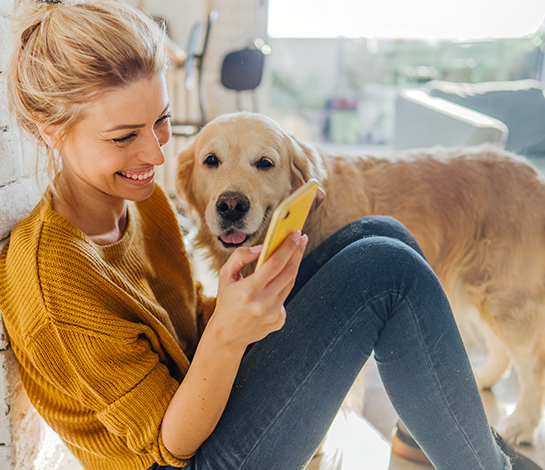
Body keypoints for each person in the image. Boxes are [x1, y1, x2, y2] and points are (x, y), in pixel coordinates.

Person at [0, 1, 541, 469]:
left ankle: (445, 439)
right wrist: (232, 331)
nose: (155, 154)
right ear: (52, 131)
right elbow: (169, 444)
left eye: (159, 122)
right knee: (384, 270)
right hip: (190, 455)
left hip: (211, 410)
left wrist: (240, 304)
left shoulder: (140, 204)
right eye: (124, 136)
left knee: (378, 234)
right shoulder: (55, 281)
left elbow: (183, 320)